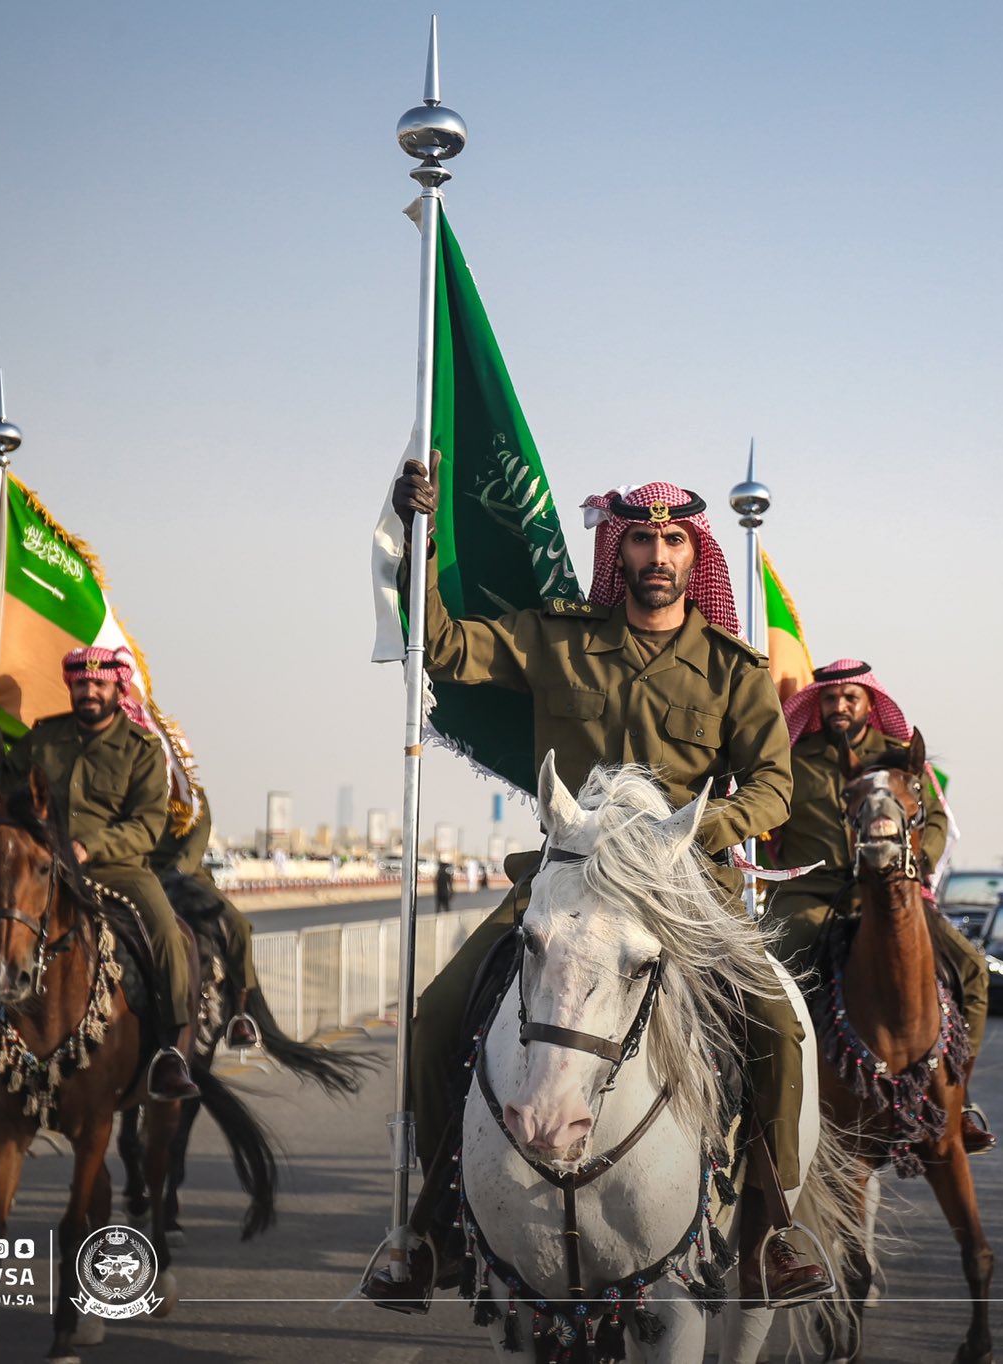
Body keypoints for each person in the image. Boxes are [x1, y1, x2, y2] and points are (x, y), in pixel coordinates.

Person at [364, 458, 821, 1307]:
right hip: (563, 881)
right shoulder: (557, 638)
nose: (658, 554)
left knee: (777, 1028)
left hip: (682, 888)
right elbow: (447, 648)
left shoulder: (735, 670)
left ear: (696, 556)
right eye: (643, 538)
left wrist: (693, 834)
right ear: (621, 549)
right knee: (433, 1023)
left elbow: (772, 786)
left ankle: (769, 1229)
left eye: (675, 540)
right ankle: (434, 1219)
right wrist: (418, 545)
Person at [0, 646, 199, 1103]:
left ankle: (169, 1053)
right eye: (80, 683)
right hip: (46, 868)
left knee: (168, 935)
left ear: (117, 688)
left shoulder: (143, 750)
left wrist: (91, 846)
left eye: (99, 683)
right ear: (70, 685)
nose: (88, 691)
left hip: (118, 869)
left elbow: (147, 825)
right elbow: (6, 788)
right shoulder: (44, 739)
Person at [759, 658, 995, 1153]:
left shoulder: (901, 758)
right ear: (816, 704)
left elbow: (932, 820)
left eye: (851, 697)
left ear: (871, 702)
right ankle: (767, 1099)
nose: (839, 706)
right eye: (829, 698)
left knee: (972, 968)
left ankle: (958, 1101)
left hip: (891, 893)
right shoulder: (791, 757)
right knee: (771, 976)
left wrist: (917, 859)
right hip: (812, 893)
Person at [149, 789, 260, 1050]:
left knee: (238, 926)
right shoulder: (129, 775)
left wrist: (181, 867)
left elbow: (199, 832)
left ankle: (240, 1015)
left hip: (184, 873)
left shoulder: (186, 786)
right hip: (139, 870)